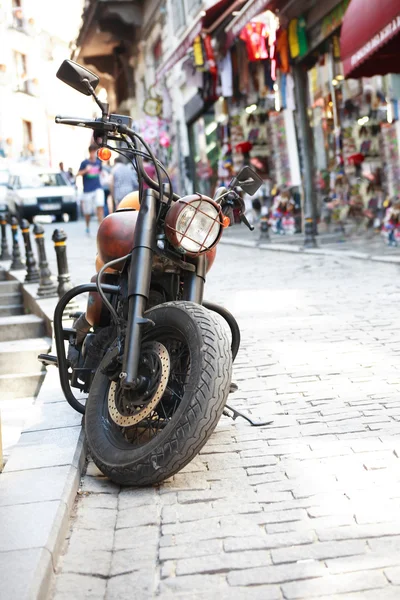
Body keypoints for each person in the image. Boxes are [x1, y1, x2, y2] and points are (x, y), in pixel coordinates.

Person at [78, 144, 105, 233]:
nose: (94, 154)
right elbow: (78, 174)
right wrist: (86, 170)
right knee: (88, 212)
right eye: (92, 152)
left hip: (97, 187)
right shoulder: (84, 163)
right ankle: (87, 226)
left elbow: (101, 171)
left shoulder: (98, 162)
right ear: (90, 152)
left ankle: (100, 226)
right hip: (87, 190)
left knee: (99, 206)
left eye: (95, 152)